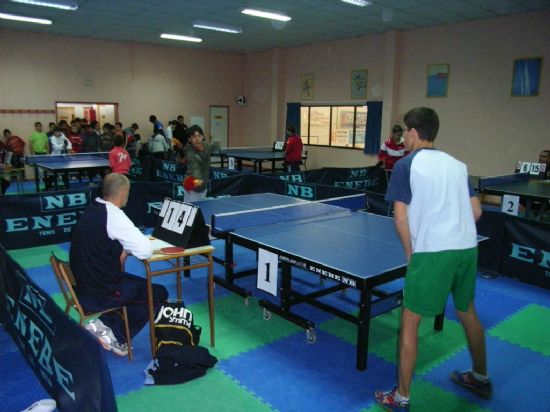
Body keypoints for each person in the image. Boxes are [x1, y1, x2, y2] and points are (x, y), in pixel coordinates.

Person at [375, 107, 489, 411]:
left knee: (410, 321)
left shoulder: (406, 165)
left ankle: (401, 398)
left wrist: (412, 255)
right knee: (467, 312)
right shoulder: (457, 164)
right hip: (467, 248)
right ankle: (480, 376)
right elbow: (476, 212)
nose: (405, 140)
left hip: (433, 253)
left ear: (413, 133)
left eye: (406, 133)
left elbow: (400, 218)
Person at [70, 173, 168, 356]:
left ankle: (103, 324)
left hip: (85, 281)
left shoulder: (93, 208)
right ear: (123, 193)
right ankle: (118, 336)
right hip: (100, 290)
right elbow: (145, 251)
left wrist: (124, 249)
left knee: (138, 284)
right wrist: (129, 249)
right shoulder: (113, 215)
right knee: (157, 292)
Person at [183, 125, 213, 202]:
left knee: (202, 209)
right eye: (194, 137)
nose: (197, 138)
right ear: (189, 139)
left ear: (202, 137)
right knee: (190, 210)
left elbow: (211, 147)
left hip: (203, 186)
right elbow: (194, 166)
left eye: (199, 136)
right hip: (192, 186)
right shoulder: (190, 153)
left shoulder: (206, 145)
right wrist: (198, 178)